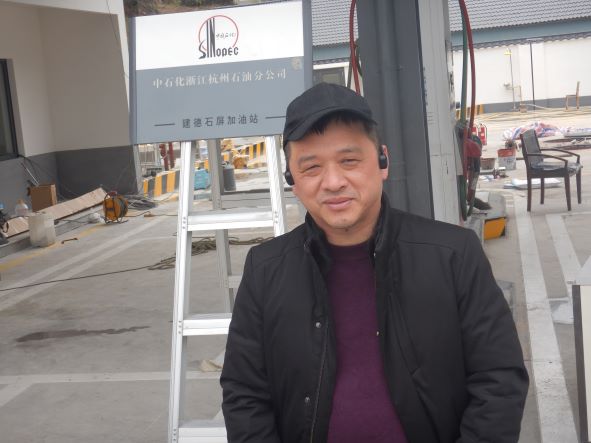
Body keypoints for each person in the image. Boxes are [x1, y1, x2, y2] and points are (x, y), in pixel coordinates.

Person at [221, 83, 528, 443]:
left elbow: (499, 380)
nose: (333, 182)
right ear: (292, 179)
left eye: (349, 161)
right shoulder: (265, 270)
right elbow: (244, 394)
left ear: (383, 161)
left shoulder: (453, 254)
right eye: (311, 167)